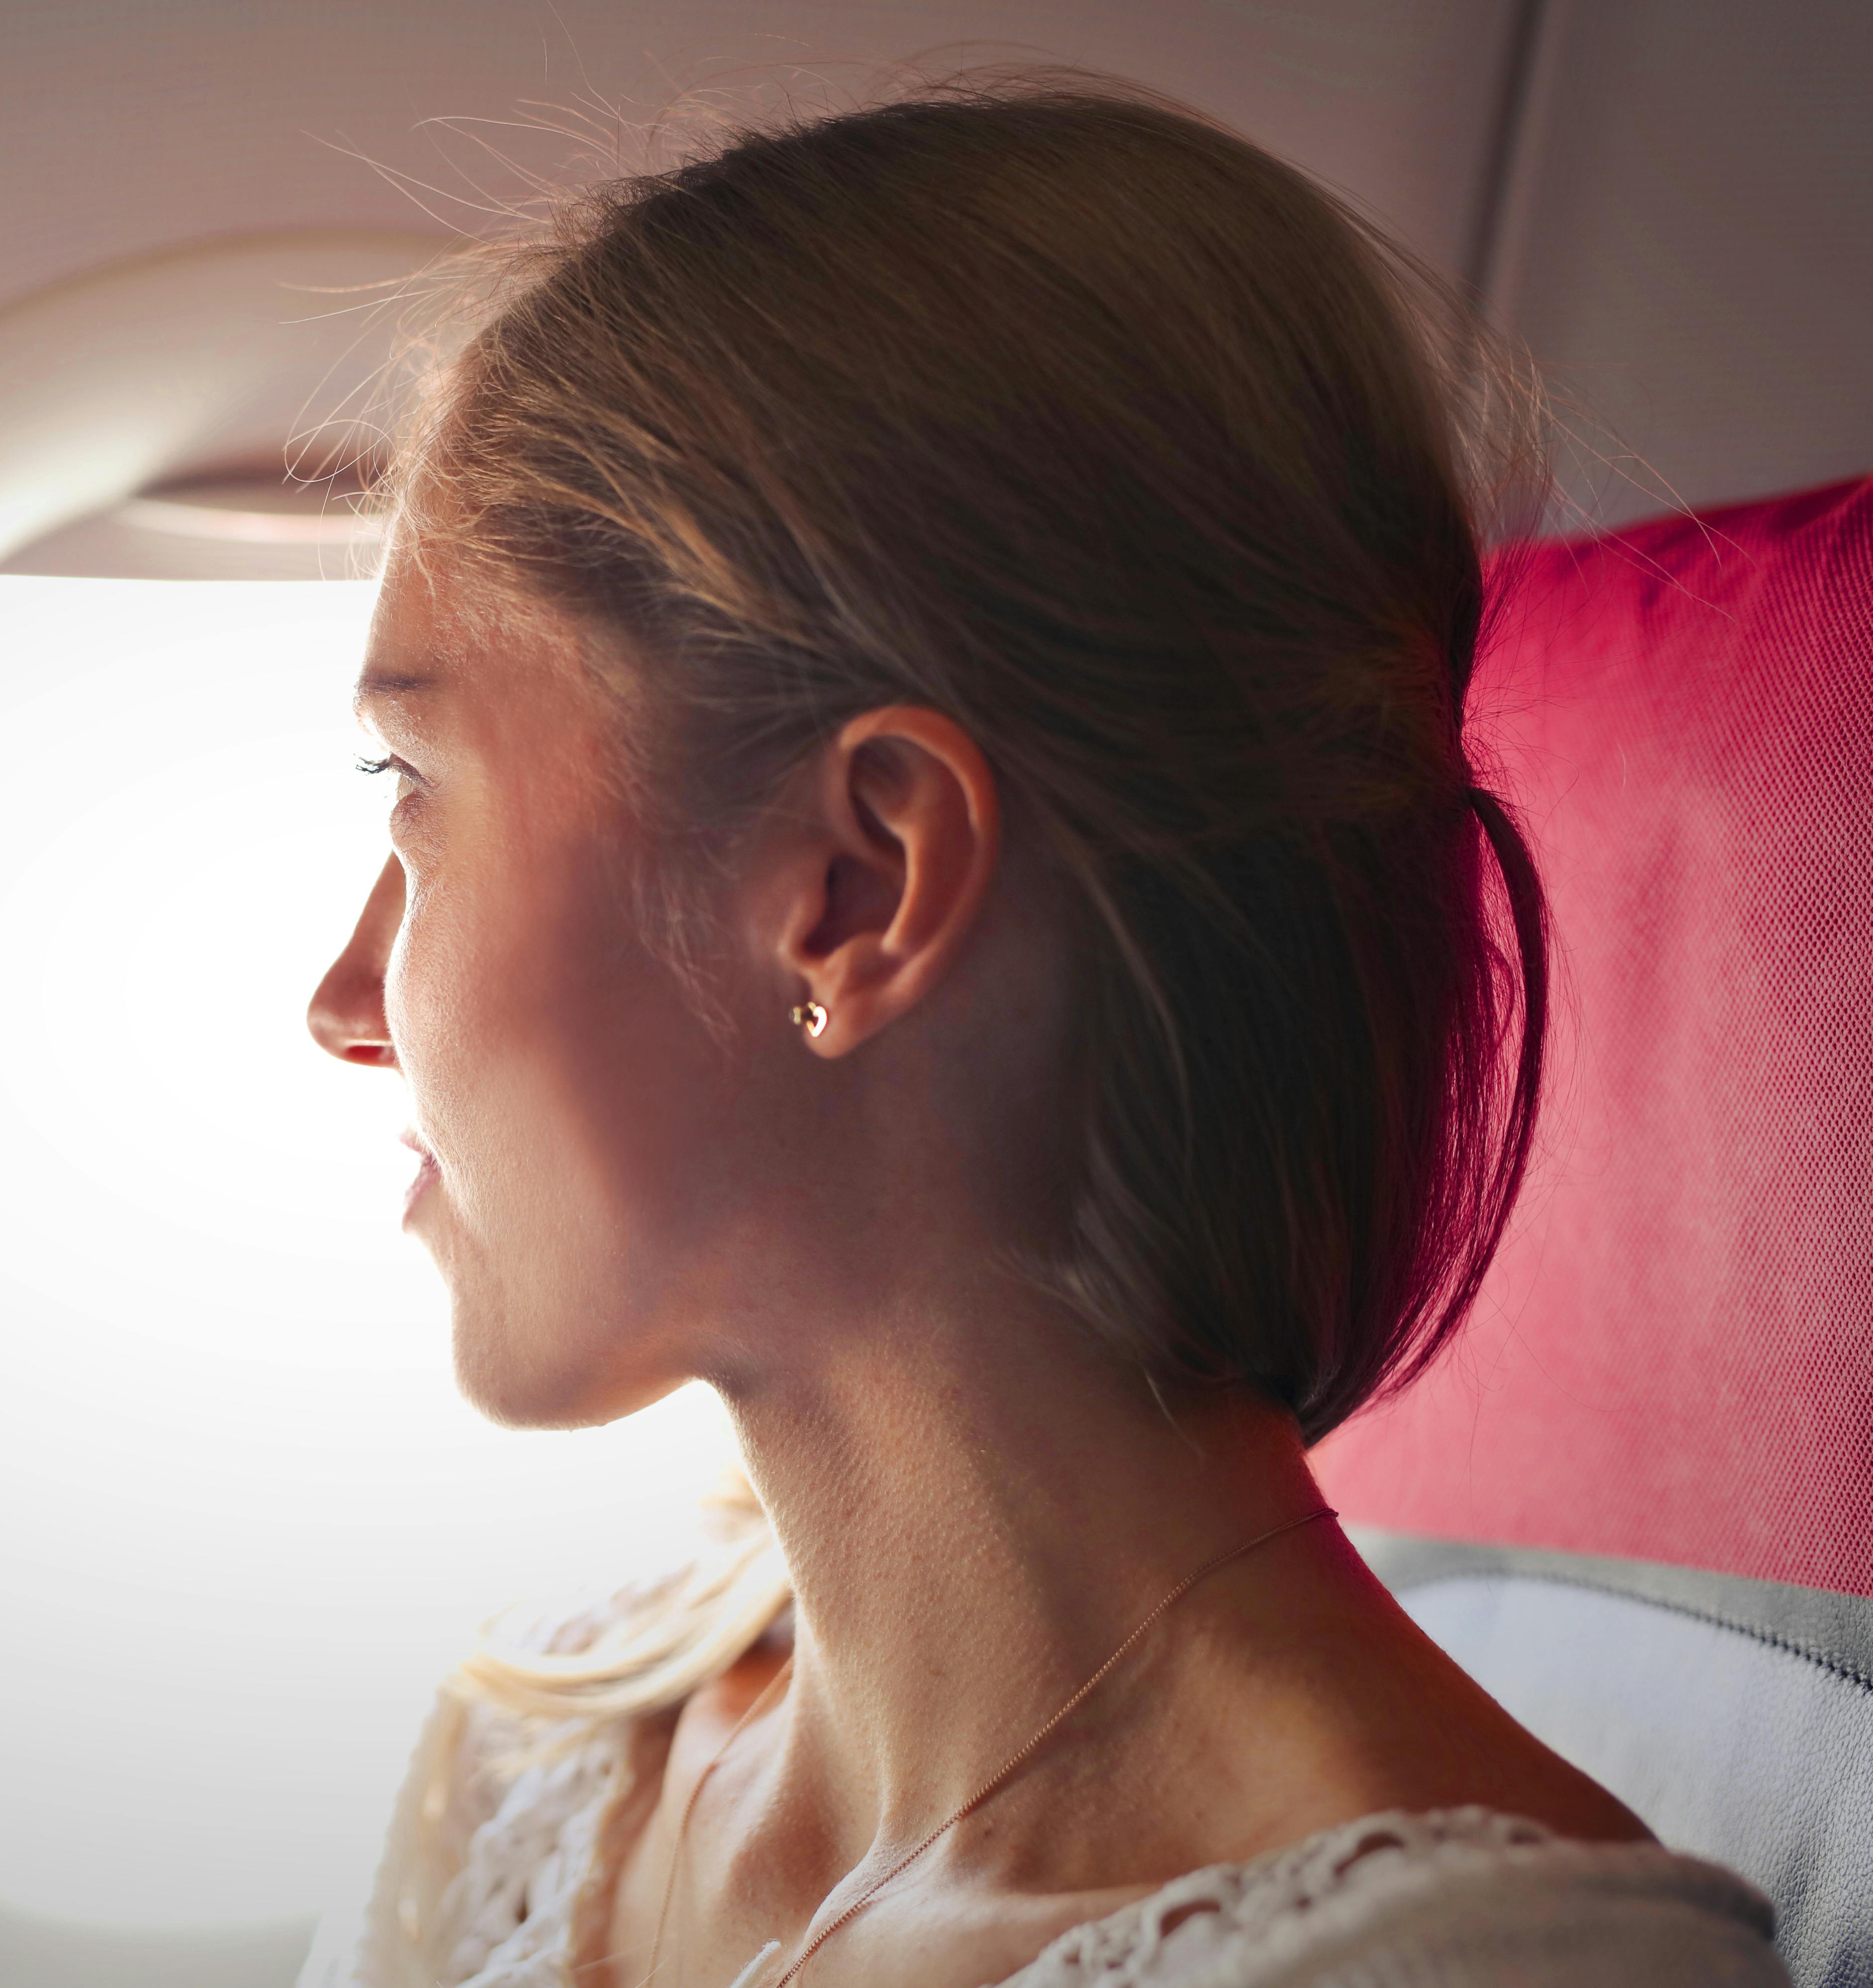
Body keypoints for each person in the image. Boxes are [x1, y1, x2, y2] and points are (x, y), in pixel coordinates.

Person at [299, 76, 1788, 1988]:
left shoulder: (1485, 1969)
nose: (344, 999)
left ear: (856, 881)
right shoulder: (533, 1764)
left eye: (412, 791)